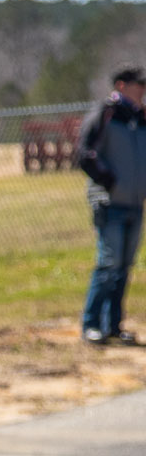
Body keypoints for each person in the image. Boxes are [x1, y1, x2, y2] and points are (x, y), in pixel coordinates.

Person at [76, 65, 146, 346]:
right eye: (138, 85)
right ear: (121, 86)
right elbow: (85, 154)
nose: (143, 90)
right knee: (108, 264)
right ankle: (92, 324)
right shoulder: (106, 114)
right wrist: (110, 182)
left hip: (135, 202)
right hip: (110, 202)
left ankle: (113, 326)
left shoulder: (140, 118)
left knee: (124, 267)